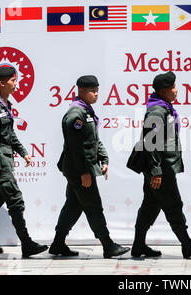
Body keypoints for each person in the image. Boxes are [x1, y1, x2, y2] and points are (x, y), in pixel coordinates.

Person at [128, 71, 191, 259]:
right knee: (173, 204)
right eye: (173, 88)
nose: (176, 91)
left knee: (150, 206)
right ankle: (187, 245)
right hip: (160, 169)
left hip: (159, 167)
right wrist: (156, 171)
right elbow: (150, 143)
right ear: (164, 91)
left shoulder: (163, 108)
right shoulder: (157, 111)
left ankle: (138, 245)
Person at [50, 75, 130, 258]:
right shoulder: (76, 115)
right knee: (93, 205)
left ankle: (57, 243)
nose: (96, 94)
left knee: (73, 206)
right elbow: (77, 147)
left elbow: (93, 140)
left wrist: (104, 159)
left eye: (97, 90)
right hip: (79, 169)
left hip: (80, 168)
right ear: (80, 91)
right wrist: (85, 172)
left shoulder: (86, 112)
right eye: (92, 91)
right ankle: (108, 245)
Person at [0, 66, 48, 258]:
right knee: (15, 200)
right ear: (2, 83)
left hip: (5, 159)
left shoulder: (6, 105)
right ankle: (27, 244)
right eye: (13, 81)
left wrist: (24, 153)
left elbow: (10, 135)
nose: (16, 84)